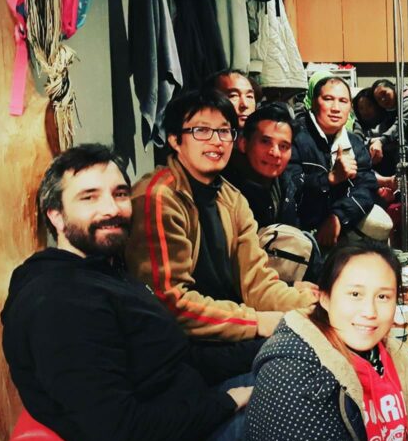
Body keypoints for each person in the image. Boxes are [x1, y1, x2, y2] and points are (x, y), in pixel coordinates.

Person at [2, 144, 258, 441]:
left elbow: (180, 356)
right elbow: (122, 436)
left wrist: (265, 345)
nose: (111, 208)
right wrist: (229, 401)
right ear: (56, 216)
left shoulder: (102, 271)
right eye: (89, 197)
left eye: (120, 194)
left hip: (194, 403)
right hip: (180, 438)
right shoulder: (61, 303)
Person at [125, 90, 317, 341]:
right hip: (180, 343)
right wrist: (256, 321)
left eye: (224, 131)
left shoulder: (231, 198)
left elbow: (257, 283)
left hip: (229, 327)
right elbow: (169, 303)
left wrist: (317, 307)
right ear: (174, 139)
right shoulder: (159, 196)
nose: (216, 141)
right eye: (201, 130)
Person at [244, 243, 408, 441]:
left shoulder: (394, 358)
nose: (369, 311)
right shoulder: (291, 377)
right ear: (324, 297)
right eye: (355, 294)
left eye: (383, 297)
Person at [289, 76, 387, 250]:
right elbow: (290, 185)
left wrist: (338, 216)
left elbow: (367, 186)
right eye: (328, 99)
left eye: (343, 101)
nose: (336, 108)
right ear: (313, 102)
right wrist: (330, 179)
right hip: (300, 229)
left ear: (350, 108)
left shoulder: (354, 143)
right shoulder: (294, 136)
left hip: (340, 224)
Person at [223, 102, 299, 228]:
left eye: (283, 146)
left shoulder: (286, 184)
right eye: (265, 142)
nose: (275, 153)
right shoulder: (225, 192)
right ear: (243, 143)